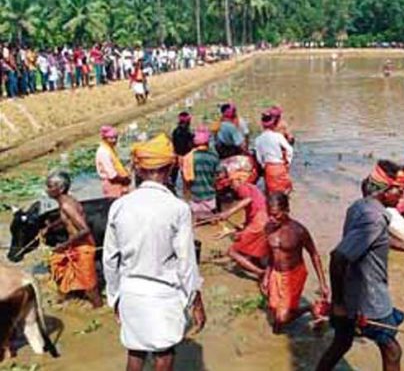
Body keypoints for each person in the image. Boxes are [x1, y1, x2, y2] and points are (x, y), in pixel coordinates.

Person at [103, 133, 206, 371]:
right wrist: (196, 300)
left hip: (130, 291)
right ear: (170, 168)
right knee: (164, 352)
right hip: (164, 293)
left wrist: (115, 296)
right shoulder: (178, 208)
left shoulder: (119, 206)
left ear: (138, 170)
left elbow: (109, 258)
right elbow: (186, 262)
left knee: (135, 351)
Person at [316, 160, 404, 371]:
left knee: (341, 343)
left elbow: (367, 239)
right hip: (368, 299)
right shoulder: (374, 219)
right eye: (400, 190)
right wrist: (339, 304)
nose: (402, 196)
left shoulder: (360, 207)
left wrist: (399, 244)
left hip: (352, 293)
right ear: (385, 190)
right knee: (392, 350)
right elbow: (338, 257)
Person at [261, 192, 329, 333]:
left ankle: (308, 308)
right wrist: (267, 276)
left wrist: (322, 284)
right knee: (275, 320)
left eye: (276, 214)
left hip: (293, 274)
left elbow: (314, 255)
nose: (272, 219)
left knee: (282, 318)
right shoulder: (268, 228)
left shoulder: (298, 231)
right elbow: (271, 255)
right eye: (269, 214)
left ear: (286, 210)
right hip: (276, 273)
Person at [46, 171, 102, 308]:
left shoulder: (66, 205)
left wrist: (64, 245)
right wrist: (51, 226)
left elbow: (84, 229)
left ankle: (99, 308)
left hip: (83, 247)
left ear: (61, 189)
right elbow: (67, 218)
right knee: (59, 267)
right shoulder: (65, 200)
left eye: (50, 186)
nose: (47, 190)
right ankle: (64, 298)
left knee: (90, 288)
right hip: (74, 245)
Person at [216, 171, 270, 277]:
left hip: (259, 221)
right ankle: (262, 266)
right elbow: (246, 224)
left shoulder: (243, 187)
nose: (231, 187)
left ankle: (260, 273)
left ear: (239, 180)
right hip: (265, 221)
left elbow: (247, 200)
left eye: (232, 183)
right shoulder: (253, 189)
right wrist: (228, 232)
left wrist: (228, 212)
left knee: (232, 252)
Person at [182, 125, 223, 220]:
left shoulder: (188, 158)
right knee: (212, 222)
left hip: (195, 196)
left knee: (198, 222)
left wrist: (186, 196)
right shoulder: (213, 156)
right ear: (208, 142)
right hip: (210, 196)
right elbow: (219, 175)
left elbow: (186, 181)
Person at [255, 111, 294, 194]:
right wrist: (287, 162)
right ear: (273, 124)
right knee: (286, 190)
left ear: (262, 125)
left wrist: (263, 165)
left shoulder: (258, 139)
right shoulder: (278, 136)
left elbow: (259, 157)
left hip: (269, 168)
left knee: (271, 192)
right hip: (279, 166)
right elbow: (289, 149)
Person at [96, 125, 131, 198]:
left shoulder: (109, 149)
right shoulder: (103, 152)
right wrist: (125, 180)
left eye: (116, 138)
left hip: (117, 182)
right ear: (104, 138)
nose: (114, 140)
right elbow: (112, 176)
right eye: (111, 138)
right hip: (112, 184)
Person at [171, 111, 195, 188]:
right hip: (187, 157)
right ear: (188, 121)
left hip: (177, 156)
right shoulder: (188, 133)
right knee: (187, 179)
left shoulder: (175, 131)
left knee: (175, 177)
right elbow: (190, 145)